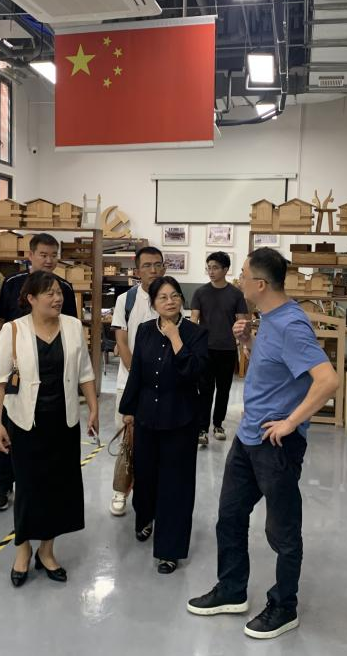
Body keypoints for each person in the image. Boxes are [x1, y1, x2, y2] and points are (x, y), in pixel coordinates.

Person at [187, 248, 339, 640]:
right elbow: (277, 367)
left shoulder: (291, 324)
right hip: (248, 436)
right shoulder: (268, 318)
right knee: (230, 516)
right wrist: (249, 341)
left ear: (259, 284)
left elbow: (328, 380)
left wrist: (291, 422)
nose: (237, 280)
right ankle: (232, 589)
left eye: (242, 274)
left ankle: (284, 607)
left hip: (276, 444)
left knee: (282, 532)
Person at [0, 271, 98, 587]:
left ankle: (47, 551)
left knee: (58, 489)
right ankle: (23, 549)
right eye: (49, 293)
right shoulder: (12, 330)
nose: (57, 298)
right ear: (31, 299)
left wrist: (93, 408)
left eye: (59, 292)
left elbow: (85, 372)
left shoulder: (73, 327)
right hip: (25, 423)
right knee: (27, 488)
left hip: (64, 422)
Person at [118, 276, 208, 574]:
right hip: (146, 416)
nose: (170, 302)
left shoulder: (196, 333)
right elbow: (137, 372)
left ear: (182, 299)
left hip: (181, 419)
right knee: (145, 476)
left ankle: (170, 549)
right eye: (163, 297)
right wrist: (128, 409)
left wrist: (175, 337)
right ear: (154, 303)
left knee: (176, 485)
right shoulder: (144, 330)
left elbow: (194, 372)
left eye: (175, 296)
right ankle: (145, 517)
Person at [0, 233, 77, 513]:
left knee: (39, 432)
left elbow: (70, 328)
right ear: (31, 255)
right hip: (14, 370)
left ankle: (41, 486)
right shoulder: (13, 284)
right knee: (9, 425)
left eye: (53, 255)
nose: (49, 260)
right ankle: (4, 484)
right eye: (43, 255)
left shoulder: (64, 288)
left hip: (48, 371)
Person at [108, 245, 165, 516]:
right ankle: (120, 490)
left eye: (158, 264)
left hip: (162, 388)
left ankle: (151, 495)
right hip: (129, 383)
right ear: (137, 270)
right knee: (128, 440)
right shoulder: (126, 300)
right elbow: (121, 342)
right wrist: (137, 378)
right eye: (147, 265)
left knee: (156, 444)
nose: (153, 270)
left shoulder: (169, 297)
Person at [191, 251, 248, 447]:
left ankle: (218, 425)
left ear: (225, 269)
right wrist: (192, 346)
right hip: (205, 349)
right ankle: (202, 428)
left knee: (224, 390)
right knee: (204, 390)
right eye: (209, 268)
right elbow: (194, 320)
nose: (211, 271)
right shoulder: (200, 292)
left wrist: (244, 344)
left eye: (215, 268)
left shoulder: (236, 294)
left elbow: (242, 322)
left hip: (227, 349)